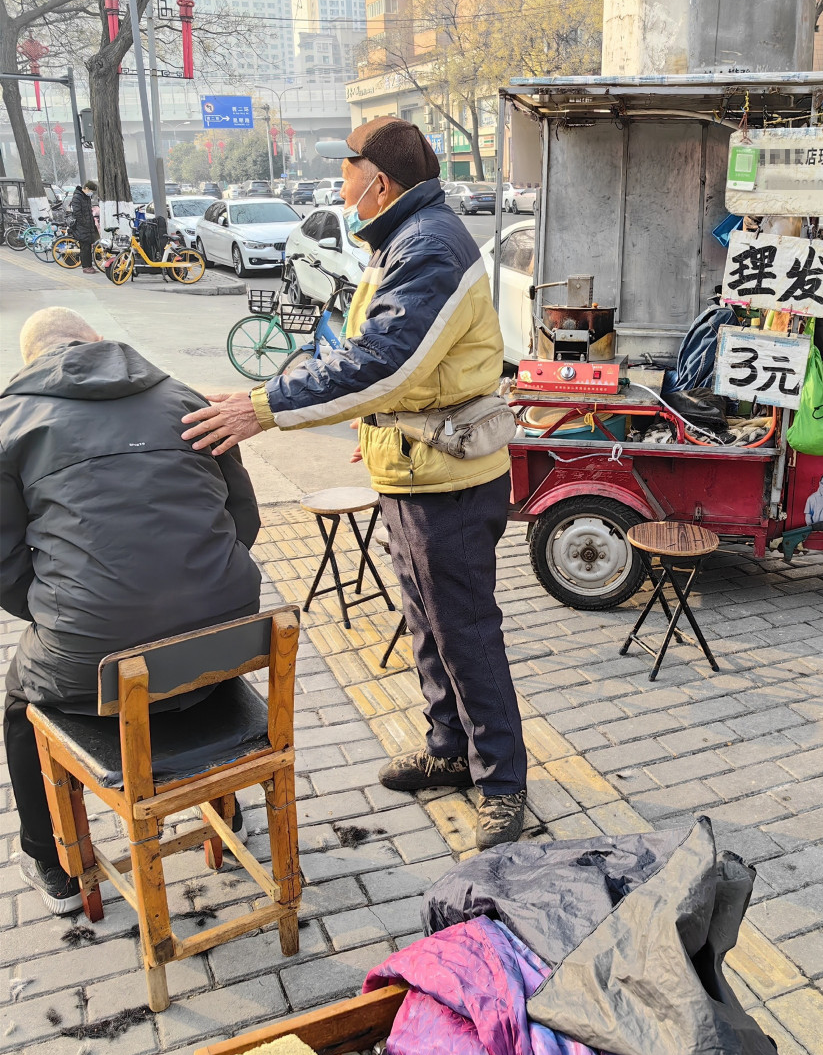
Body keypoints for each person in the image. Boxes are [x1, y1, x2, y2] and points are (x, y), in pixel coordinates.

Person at [180, 116, 527, 850]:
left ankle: (502, 783)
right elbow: (398, 372)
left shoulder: (428, 245)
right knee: (426, 624)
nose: (341, 189)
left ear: (378, 179)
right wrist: (378, 429)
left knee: (467, 635)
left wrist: (262, 408)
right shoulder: (403, 238)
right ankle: (448, 751)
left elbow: (382, 364)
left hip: (451, 486)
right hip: (414, 465)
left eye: (345, 174)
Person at [1, 308, 261, 914]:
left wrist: (56, 613)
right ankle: (228, 805)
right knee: (183, 647)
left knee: (21, 701)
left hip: (95, 657)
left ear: (31, 361)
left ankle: (54, 863)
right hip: (226, 637)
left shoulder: (12, 418)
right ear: (98, 344)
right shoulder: (182, 396)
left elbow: (7, 564)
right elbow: (242, 518)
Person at [68, 180, 99, 273]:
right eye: (91, 191)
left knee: (88, 247)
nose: (91, 193)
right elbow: (77, 213)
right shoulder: (77, 197)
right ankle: (85, 267)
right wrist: (85, 222)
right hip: (81, 227)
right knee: (84, 248)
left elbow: (88, 212)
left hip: (88, 226)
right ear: (86, 188)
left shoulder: (86, 198)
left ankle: (90, 266)